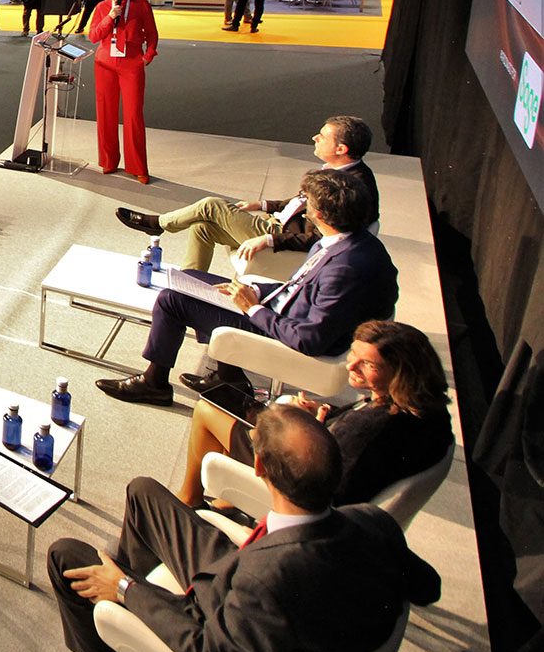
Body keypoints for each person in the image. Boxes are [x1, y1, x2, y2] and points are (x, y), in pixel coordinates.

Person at [36, 405, 440, 652]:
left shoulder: (268, 581)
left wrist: (125, 588)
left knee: (64, 555)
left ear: (259, 468)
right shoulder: (374, 521)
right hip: (246, 582)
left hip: (223, 622)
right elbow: (428, 587)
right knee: (143, 494)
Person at [97, 170, 397, 407]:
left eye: (308, 205)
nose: (304, 210)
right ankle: (230, 378)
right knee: (190, 279)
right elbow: (301, 288)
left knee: (170, 301)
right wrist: (257, 288)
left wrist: (252, 306)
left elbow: (309, 339)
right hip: (280, 307)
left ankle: (155, 384)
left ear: (317, 215)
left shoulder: (344, 268)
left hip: (280, 329)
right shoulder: (353, 243)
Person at [175, 319, 453, 509]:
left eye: (367, 364)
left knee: (208, 410)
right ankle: (228, 503)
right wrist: (324, 415)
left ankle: (191, 498)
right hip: (326, 474)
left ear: (400, 373)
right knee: (259, 411)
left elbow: (324, 486)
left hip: (299, 492)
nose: (351, 366)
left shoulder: (374, 426)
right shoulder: (422, 411)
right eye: (352, 355)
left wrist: (311, 428)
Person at [115, 115, 378, 273]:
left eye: (322, 136)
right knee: (202, 227)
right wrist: (260, 204)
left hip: (283, 238)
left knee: (212, 206)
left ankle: (158, 225)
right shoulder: (338, 170)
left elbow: (323, 240)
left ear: (341, 148)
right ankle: (189, 285)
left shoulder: (352, 189)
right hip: (280, 224)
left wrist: (270, 240)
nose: (314, 138)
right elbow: (299, 201)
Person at [86, 0, 157, 184]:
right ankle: (109, 160)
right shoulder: (102, 7)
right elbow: (93, 36)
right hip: (105, 63)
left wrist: (147, 57)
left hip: (132, 63)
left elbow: (152, 34)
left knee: (133, 114)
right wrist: (110, 17)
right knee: (106, 111)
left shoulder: (141, 6)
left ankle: (137, 166)